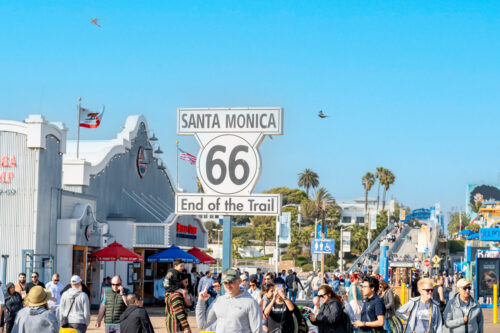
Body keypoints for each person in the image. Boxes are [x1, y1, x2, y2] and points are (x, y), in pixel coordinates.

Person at [196, 267, 262, 333]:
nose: (228, 286)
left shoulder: (251, 303)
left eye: (231, 282)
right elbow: (202, 325)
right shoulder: (218, 301)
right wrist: (201, 302)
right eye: (225, 282)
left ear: (239, 281)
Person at [165, 269, 191, 333]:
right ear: (180, 282)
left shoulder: (173, 294)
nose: (187, 284)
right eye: (185, 282)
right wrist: (186, 327)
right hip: (176, 326)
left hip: (174, 325)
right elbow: (180, 313)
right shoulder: (176, 296)